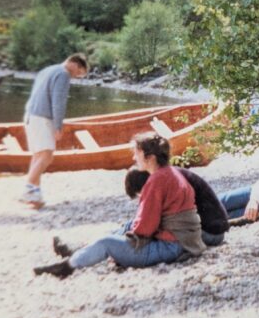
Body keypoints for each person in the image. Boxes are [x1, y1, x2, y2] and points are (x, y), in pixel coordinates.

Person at [34, 132, 205, 278]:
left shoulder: (157, 181)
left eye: (136, 153)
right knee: (128, 226)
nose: (133, 158)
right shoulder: (171, 173)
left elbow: (145, 227)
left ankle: (67, 267)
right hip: (184, 241)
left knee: (106, 242)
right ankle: (82, 250)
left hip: (172, 247)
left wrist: (125, 243)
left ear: (150, 158)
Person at [19, 54, 89, 207]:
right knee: (47, 155)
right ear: (75, 64)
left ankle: (34, 196)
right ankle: (28, 188)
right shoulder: (63, 74)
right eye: (79, 73)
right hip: (42, 118)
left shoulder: (48, 70)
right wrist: (58, 126)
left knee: (38, 155)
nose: (76, 76)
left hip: (30, 115)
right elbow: (58, 102)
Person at [126, 166, 229, 246]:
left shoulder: (163, 183)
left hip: (211, 232)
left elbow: (153, 223)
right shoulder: (167, 173)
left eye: (141, 196)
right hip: (216, 225)